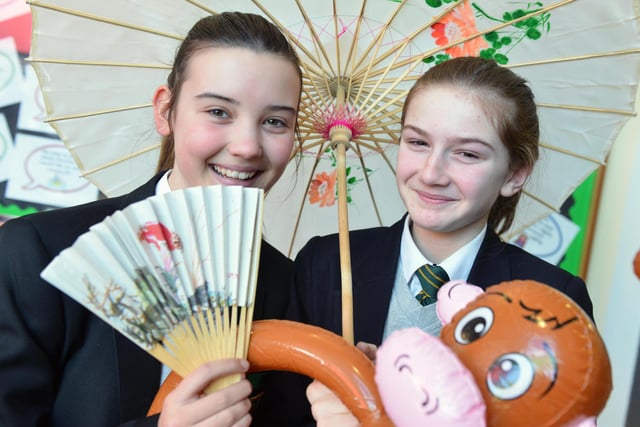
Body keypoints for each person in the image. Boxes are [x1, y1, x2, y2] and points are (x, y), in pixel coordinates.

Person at [0, 12, 304, 427]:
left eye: (274, 122)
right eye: (218, 111)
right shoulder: (36, 254)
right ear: (166, 111)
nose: (248, 146)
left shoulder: (294, 289)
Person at [284, 56, 596, 425]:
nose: (431, 174)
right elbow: (279, 411)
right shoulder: (326, 263)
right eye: (417, 141)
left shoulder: (552, 301)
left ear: (514, 174)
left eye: (467, 153)